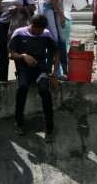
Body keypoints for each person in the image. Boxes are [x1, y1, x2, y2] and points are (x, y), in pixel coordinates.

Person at [9, 14, 60, 142]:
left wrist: (54, 73)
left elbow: (56, 52)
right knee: (22, 87)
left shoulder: (46, 34)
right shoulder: (19, 33)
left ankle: (49, 128)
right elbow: (11, 54)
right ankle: (19, 122)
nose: (40, 32)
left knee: (44, 90)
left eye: (42, 30)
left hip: (41, 69)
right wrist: (23, 56)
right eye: (38, 30)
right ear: (32, 25)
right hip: (24, 69)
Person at [0, 0, 35, 82]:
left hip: (18, 26)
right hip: (1, 23)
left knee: (18, 50)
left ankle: (21, 77)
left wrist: (19, 8)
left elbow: (32, 7)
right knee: (2, 51)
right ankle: (2, 78)